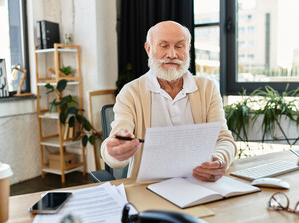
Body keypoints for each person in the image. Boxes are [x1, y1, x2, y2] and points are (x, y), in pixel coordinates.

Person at [100, 21, 236, 182]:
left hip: (199, 183)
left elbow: (224, 140)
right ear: (148, 49)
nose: (172, 54)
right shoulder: (131, 92)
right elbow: (115, 141)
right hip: (148, 187)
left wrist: (218, 160)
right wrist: (115, 151)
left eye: (179, 46)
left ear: (188, 49)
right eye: (164, 46)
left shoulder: (208, 88)